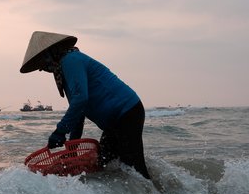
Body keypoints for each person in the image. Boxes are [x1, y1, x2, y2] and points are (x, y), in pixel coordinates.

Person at [20, 31, 151, 179]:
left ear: (51, 52)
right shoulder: (65, 69)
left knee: (134, 169)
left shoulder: (71, 60)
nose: (41, 68)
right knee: (105, 164)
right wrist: (72, 150)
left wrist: (60, 132)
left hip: (126, 112)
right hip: (115, 121)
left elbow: (81, 100)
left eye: (42, 61)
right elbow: (78, 114)